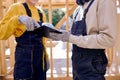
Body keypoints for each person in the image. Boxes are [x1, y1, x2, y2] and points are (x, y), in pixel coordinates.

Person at [49, 0, 117, 80]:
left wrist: (70, 38)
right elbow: (77, 34)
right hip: (77, 60)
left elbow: (108, 39)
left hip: (92, 62)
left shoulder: (104, 2)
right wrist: (60, 34)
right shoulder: (79, 8)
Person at [0, 0, 50, 80]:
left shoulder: (41, 13)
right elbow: (1, 33)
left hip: (40, 62)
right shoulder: (16, 8)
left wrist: (46, 58)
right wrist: (17, 19)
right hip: (24, 63)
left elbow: (42, 40)